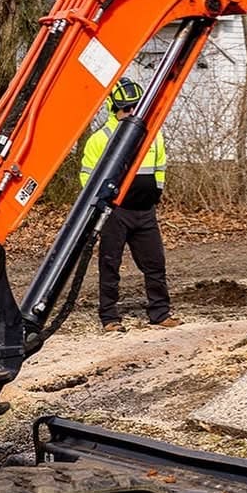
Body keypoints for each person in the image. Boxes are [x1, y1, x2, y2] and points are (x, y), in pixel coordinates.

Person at [80, 76, 180, 333]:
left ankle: (160, 313)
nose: (132, 112)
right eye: (126, 108)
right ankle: (109, 317)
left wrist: (156, 192)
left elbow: (160, 166)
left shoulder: (152, 134)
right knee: (110, 263)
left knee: (155, 263)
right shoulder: (99, 139)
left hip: (145, 210)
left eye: (135, 106)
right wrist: (100, 205)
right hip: (116, 212)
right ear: (114, 109)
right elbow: (87, 176)